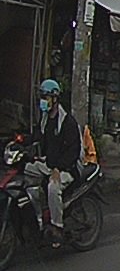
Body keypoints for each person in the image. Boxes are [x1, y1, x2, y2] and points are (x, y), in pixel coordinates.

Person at [28, 79, 82, 248]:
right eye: (42, 97)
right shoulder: (45, 120)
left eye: (46, 97)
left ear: (55, 98)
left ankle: (57, 227)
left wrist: (59, 168)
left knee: (53, 187)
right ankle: (37, 214)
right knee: (26, 171)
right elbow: (37, 138)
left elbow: (73, 151)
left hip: (67, 169)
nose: (43, 101)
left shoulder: (67, 122)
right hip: (49, 165)